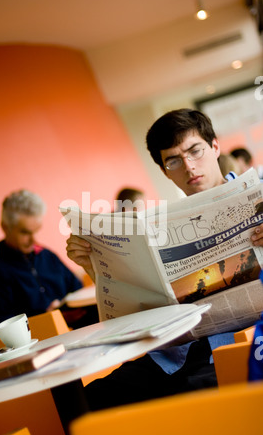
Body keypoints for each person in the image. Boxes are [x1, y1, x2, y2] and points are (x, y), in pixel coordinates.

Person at [66, 109, 263, 411]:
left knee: (198, 404)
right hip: (174, 355)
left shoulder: (258, 198)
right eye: (174, 160)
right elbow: (135, 308)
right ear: (164, 171)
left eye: (195, 151)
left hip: (239, 349)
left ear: (215, 147)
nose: (189, 166)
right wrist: (95, 269)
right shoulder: (161, 225)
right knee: (87, 403)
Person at [0, 189, 98, 328]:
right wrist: (48, 320)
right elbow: (1, 329)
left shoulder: (47, 256)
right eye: (25, 232)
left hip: (78, 331)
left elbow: (77, 290)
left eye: (36, 231)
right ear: (5, 227)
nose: (33, 240)